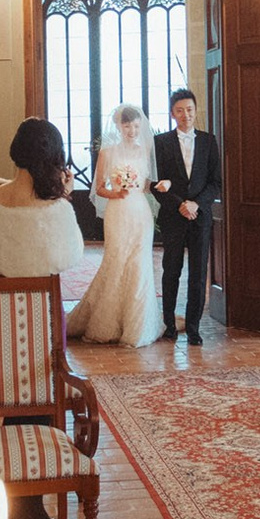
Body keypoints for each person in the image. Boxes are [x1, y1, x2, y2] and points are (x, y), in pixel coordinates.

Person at [0, 118, 82, 519]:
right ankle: (29, 497)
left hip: (3, 308)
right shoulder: (56, 209)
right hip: (42, 310)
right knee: (40, 401)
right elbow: (70, 257)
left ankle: (17, 493)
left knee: (14, 400)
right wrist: (65, 195)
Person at [68, 105, 164, 346]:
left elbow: (147, 184)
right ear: (118, 126)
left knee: (139, 263)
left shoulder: (147, 150)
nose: (131, 130)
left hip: (140, 212)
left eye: (135, 126)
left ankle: (138, 325)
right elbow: (98, 188)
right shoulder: (108, 153)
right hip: (118, 212)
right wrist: (116, 193)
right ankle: (108, 323)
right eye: (126, 126)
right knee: (117, 260)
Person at [153, 90, 220, 344]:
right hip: (173, 216)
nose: (186, 115)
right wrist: (181, 204)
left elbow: (216, 183)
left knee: (198, 272)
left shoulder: (208, 141)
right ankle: (169, 325)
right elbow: (155, 184)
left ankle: (194, 328)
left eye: (190, 109)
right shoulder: (161, 143)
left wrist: (195, 204)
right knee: (171, 270)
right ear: (172, 113)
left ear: (195, 110)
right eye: (180, 110)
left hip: (200, 217)